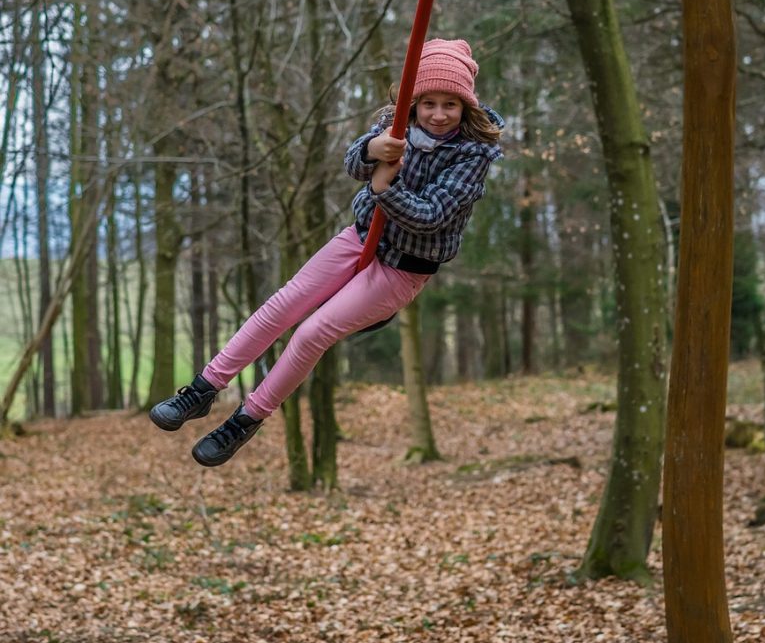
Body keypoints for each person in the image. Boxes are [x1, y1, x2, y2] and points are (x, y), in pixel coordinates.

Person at [149, 39, 504, 467]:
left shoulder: (474, 153)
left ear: (466, 106)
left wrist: (382, 189)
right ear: (414, 102)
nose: (438, 114)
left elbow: (432, 215)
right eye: (428, 102)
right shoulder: (396, 125)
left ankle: (244, 420)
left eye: (451, 103)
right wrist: (373, 151)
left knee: (312, 332)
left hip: (404, 267)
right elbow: (354, 161)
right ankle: (204, 389)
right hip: (358, 238)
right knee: (283, 305)